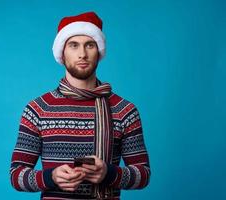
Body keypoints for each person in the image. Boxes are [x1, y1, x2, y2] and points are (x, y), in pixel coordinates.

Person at [10, 11, 151, 199]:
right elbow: (16, 175)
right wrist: (50, 177)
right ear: (62, 51)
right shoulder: (38, 109)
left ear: (99, 51)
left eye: (90, 45)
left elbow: (143, 174)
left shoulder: (124, 110)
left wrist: (109, 174)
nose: (82, 54)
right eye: (74, 45)